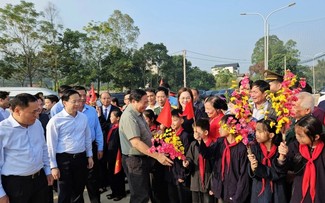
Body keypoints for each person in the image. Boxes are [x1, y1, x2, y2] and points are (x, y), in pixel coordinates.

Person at [119, 89, 173, 203]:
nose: (146, 105)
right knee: (140, 195)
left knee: (144, 192)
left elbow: (143, 134)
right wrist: (158, 156)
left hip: (143, 158)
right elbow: (136, 143)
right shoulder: (129, 117)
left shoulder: (138, 113)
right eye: (144, 102)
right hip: (134, 160)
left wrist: (154, 135)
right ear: (134, 101)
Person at [0, 93, 53, 203]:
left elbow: (43, 148)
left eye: (38, 110)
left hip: (39, 179)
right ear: (18, 111)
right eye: (33, 112)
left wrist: (48, 170)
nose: (37, 115)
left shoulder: (37, 124)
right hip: (16, 185)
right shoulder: (3, 130)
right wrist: (1, 193)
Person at [46, 89, 93, 203]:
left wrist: (89, 155)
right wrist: (53, 166)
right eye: (74, 101)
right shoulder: (56, 120)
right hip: (64, 160)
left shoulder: (83, 117)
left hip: (80, 158)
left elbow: (87, 137)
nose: (77, 104)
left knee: (79, 189)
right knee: (65, 191)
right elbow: (50, 145)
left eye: (79, 101)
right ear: (64, 102)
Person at [199, 114, 250, 202]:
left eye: (222, 126)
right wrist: (200, 140)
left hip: (234, 192)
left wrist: (238, 197)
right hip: (221, 189)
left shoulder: (242, 148)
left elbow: (244, 176)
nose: (219, 129)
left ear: (231, 127)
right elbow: (208, 154)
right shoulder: (220, 142)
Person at [276, 115, 325, 203]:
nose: (297, 138)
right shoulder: (295, 146)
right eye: (296, 134)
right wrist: (282, 157)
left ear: (316, 137)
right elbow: (283, 169)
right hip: (299, 193)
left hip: (320, 194)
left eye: (301, 136)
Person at [73, 86, 103, 203]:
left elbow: (98, 130)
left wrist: (100, 147)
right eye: (79, 95)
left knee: (93, 181)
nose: (82, 98)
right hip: (75, 152)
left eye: (84, 95)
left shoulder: (91, 111)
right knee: (77, 182)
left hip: (91, 148)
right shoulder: (65, 113)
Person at [247, 119, 286, 203]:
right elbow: (250, 173)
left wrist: (259, 168)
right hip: (259, 189)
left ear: (271, 135)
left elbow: (279, 173)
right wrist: (252, 168)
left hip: (277, 190)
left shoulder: (281, 150)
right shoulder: (254, 148)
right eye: (256, 130)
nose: (256, 134)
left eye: (260, 132)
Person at [183, 118, 215, 203]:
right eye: (194, 132)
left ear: (206, 132)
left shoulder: (213, 145)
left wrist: (212, 185)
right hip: (195, 182)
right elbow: (189, 157)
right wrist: (187, 162)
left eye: (197, 132)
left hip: (208, 182)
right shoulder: (193, 145)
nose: (195, 134)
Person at [165, 109, 191, 203]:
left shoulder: (185, 136)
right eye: (171, 120)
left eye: (175, 120)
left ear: (182, 121)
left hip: (180, 172)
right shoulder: (168, 134)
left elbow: (187, 156)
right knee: (172, 197)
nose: (172, 122)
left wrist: (182, 175)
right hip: (170, 173)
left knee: (182, 198)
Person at [96, 91, 120, 192]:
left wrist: (100, 117)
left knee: (111, 164)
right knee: (101, 163)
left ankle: (113, 185)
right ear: (100, 100)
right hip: (100, 141)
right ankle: (102, 183)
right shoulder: (97, 110)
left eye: (108, 98)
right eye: (104, 98)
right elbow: (98, 126)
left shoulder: (116, 110)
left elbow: (112, 125)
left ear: (111, 98)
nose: (106, 100)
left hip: (112, 142)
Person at [106, 110, 126, 201]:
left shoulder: (120, 128)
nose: (110, 118)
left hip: (117, 155)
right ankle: (114, 192)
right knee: (111, 174)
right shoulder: (112, 126)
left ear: (118, 118)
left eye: (112, 116)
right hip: (110, 154)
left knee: (118, 175)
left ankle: (120, 193)